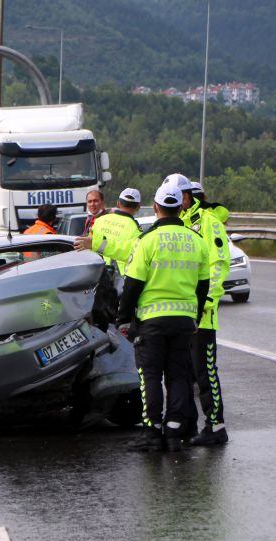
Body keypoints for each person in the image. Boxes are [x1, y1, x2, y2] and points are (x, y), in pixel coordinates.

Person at [116, 183, 210, 453]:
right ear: (180, 208)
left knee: (150, 377)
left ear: (156, 208)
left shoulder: (147, 241)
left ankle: (152, 432)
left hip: (151, 322)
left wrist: (123, 319)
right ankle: (174, 431)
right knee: (179, 377)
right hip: (184, 321)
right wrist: (195, 314)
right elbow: (203, 285)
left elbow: (132, 285)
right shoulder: (196, 241)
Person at [185, 182, 232, 446]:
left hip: (202, 315)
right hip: (181, 313)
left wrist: (207, 301)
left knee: (205, 373)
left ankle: (216, 426)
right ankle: (188, 425)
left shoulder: (209, 220)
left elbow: (219, 263)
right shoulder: (181, 221)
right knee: (185, 374)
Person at [73, 188, 142, 276]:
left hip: (97, 275)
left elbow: (88, 246)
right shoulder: (135, 229)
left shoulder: (99, 221)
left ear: (118, 203)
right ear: (138, 207)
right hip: (121, 278)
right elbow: (135, 256)